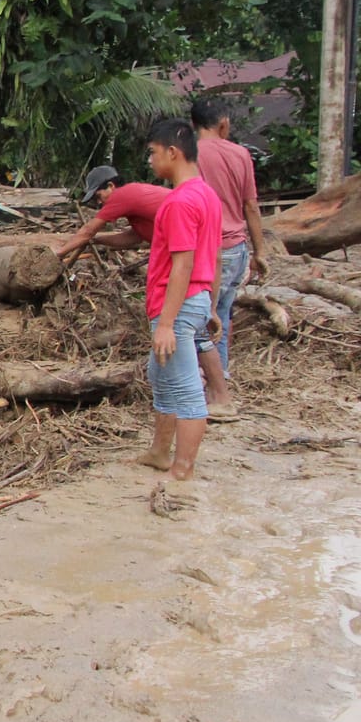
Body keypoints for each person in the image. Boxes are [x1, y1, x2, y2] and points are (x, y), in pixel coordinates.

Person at [138, 118, 223, 481]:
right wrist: (211, 305)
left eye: (153, 153)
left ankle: (182, 470)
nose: (151, 160)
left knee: (187, 390)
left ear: (172, 152)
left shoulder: (180, 202)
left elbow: (183, 264)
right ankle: (160, 452)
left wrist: (168, 323)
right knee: (160, 374)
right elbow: (215, 256)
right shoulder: (207, 195)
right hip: (195, 300)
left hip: (177, 304)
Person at [191, 97, 270, 421]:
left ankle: (216, 393)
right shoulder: (240, 154)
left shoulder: (190, 155)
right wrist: (260, 251)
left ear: (194, 124)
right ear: (223, 123)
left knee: (201, 322)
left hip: (209, 249)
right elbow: (251, 205)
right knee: (221, 316)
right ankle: (219, 383)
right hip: (237, 248)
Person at [52, 165, 170, 262]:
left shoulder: (120, 195)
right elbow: (134, 237)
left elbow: (88, 230)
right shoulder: (132, 197)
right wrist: (96, 240)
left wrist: (59, 253)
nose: (99, 202)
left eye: (98, 196)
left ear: (111, 186)